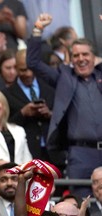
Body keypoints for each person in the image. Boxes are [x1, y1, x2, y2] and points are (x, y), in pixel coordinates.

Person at [28, 14, 102, 191]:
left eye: (85, 54)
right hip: (80, 153)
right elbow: (33, 62)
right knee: (81, 203)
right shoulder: (64, 77)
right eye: (75, 55)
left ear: (94, 57)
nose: (80, 59)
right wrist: (38, 29)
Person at [4, 49, 55, 161]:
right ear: (16, 68)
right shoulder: (7, 94)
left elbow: (64, 117)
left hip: (53, 152)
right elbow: (4, 126)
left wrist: (50, 114)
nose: (29, 74)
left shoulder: (51, 88)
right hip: (27, 154)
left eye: (32, 69)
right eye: (23, 70)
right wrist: (23, 113)